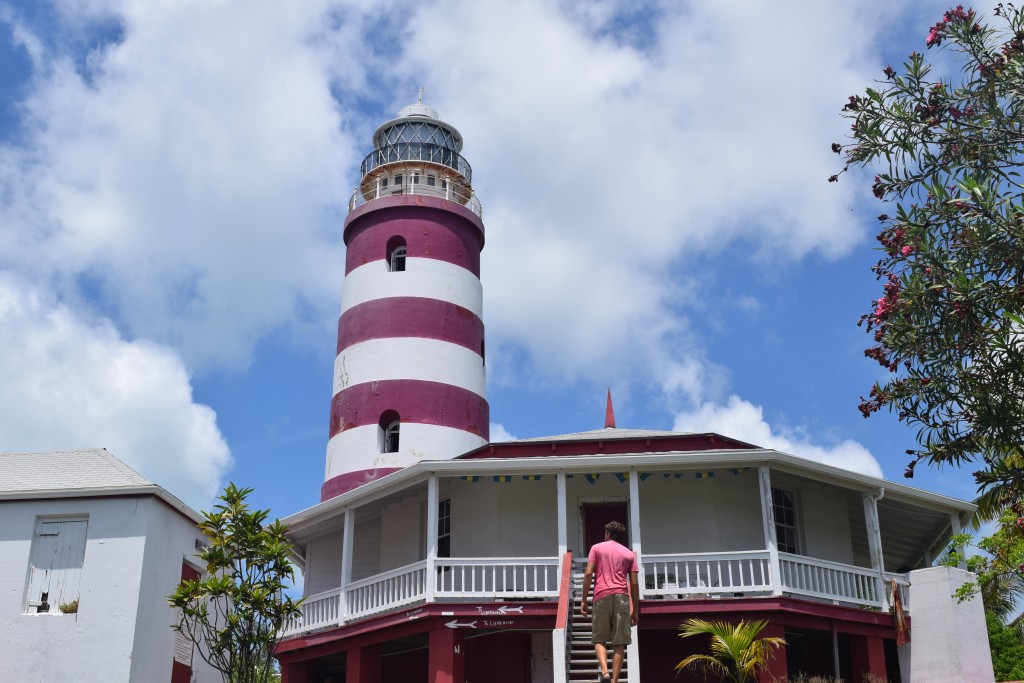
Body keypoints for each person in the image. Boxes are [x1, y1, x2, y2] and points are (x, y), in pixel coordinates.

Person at [580, 521, 639, 683]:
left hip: (601, 596)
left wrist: (584, 600)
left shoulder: (597, 548)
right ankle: (614, 681)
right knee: (619, 642)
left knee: (599, 639)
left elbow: (588, 573)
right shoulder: (629, 554)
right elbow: (634, 583)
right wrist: (636, 610)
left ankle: (605, 671)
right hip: (621, 597)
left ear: (607, 534)